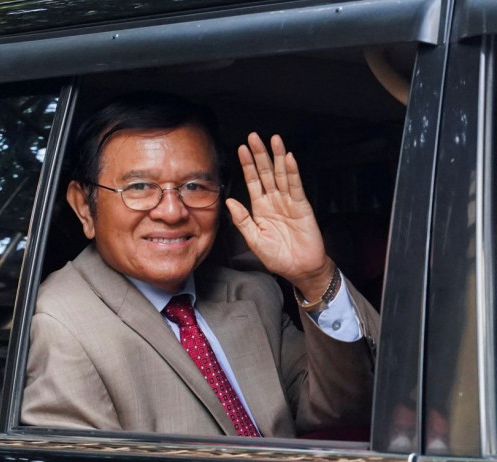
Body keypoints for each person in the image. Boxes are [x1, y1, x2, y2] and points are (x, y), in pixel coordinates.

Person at [21, 92, 379, 438]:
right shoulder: (58, 324)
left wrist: (314, 277)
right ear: (84, 206)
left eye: (194, 186)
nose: (173, 212)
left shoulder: (252, 294)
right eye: (141, 187)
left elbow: (347, 407)